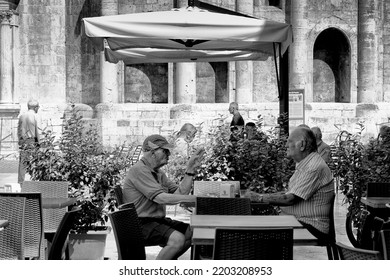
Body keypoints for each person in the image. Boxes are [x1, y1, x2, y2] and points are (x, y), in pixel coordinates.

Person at [122, 134, 205, 260]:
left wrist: (190, 170)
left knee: (191, 232)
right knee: (177, 239)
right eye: (165, 150)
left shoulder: (159, 173)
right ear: (152, 152)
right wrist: (197, 200)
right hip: (139, 224)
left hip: (155, 221)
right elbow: (161, 198)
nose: (169, 154)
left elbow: (181, 193)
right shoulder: (139, 170)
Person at [245, 126, 334, 242]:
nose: (286, 145)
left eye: (290, 141)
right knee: (256, 226)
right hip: (297, 221)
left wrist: (259, 197)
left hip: (311, 226)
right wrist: (260, 196)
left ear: (301, 145)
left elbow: (290, 199)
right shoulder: (306, 164)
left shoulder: (313, 167)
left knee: (256, 234)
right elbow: (290, 193)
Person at [17, 99, 41, 184]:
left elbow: (18, 130)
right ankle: (35, 181)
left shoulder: (22, 116)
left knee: (22, 163)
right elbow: (38, 131)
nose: (38, 108)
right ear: (35, 108)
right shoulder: (35, 116)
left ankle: (21, 182)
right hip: (32, 141)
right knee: (35, 162)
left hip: (23, 141)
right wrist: (41, 143)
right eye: (38, 107)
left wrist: (20, 141)